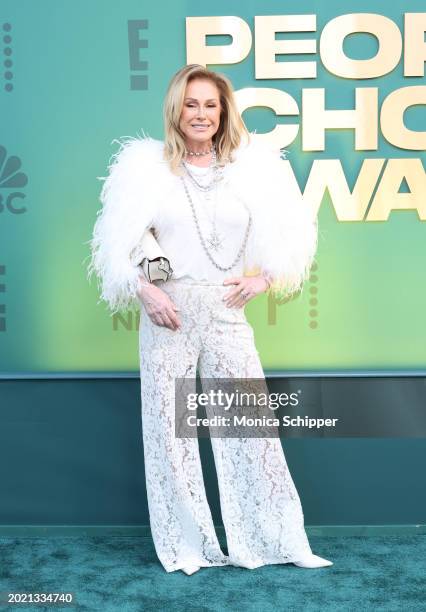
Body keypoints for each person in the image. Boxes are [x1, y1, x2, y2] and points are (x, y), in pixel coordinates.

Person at [87, 64, 333, 575]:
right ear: (176, 110)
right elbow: (119, 244)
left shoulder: (253, 169)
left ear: (223, 113)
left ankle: (281, 541)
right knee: (169, 432)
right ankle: (187, 545)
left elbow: (290, 235)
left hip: (225, 310)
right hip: (168, 312)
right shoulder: (146, 170)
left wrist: (262, 280)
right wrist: (145, 291)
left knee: (250, 425)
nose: (201, 114)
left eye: (210, 105)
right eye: (191, 104)